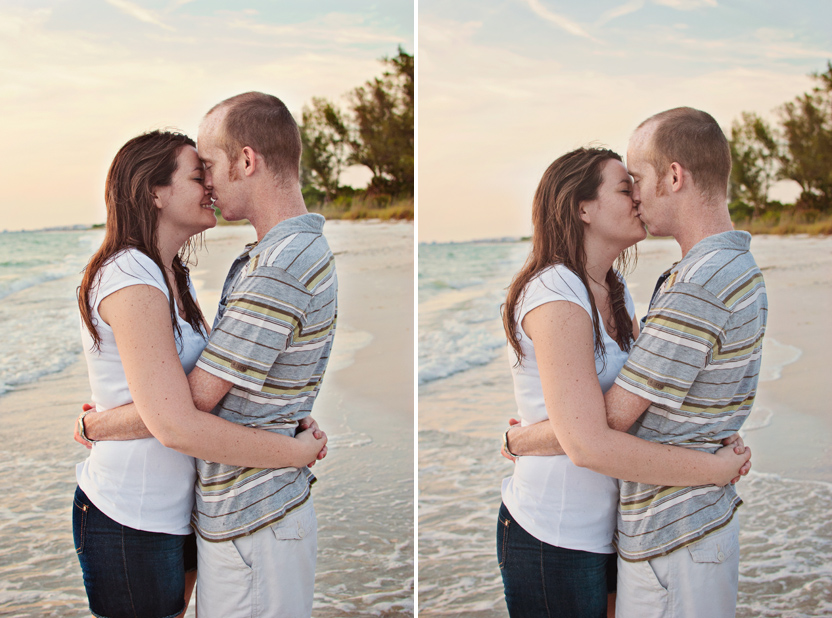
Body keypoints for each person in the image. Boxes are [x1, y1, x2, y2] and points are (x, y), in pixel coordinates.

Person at [78, 92, 338, 618]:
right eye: (197, 175)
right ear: (154, 193)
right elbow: (181, 408)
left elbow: (196, 396)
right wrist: (289, 439)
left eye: (209, 168)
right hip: (141, 510)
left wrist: (98, 426)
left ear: (247, 161)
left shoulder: (222, 270)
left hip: (214, 512)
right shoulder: (135, 274)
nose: (209, 184)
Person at [504, 108, 767, 618]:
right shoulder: (556, 292)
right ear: (583, 209)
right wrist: (713, 462)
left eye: (636, 182)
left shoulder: (637, 288)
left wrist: (521, 439)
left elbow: (625, 412)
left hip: (630, 527)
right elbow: (596, 431)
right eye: (625, 188)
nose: (637, 197)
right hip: (557, 529)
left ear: (674, 176)